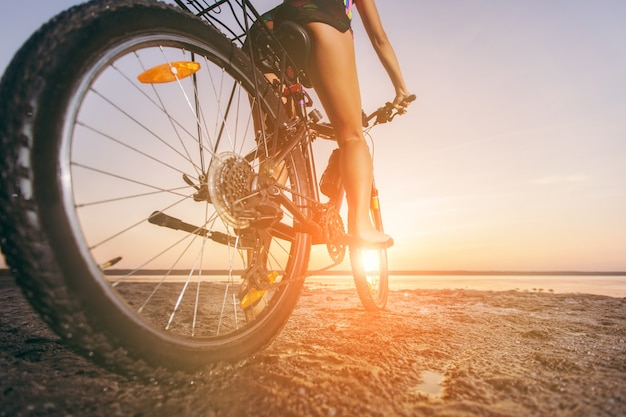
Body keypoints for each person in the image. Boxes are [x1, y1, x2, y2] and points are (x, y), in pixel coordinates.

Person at [273, 0, 412, 249]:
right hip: (322, 17)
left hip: (269, 25)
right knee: (351, 137)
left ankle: (260, 210)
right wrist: (401, 89)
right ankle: (361, 225)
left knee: (278, 146)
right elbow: (380, 39)